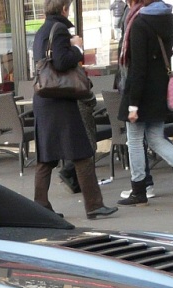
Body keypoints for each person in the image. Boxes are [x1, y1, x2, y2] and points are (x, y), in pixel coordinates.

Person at [31, 0, 116, 219]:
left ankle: (40, 207)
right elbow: (60, 62)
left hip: (45, 100)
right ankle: (94, 206)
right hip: (60, 101)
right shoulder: (59, 30)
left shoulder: (41, 31)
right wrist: (77, 47)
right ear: (64, 9)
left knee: (46, 157)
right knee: (82, 152)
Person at [117, 0, 173, 206]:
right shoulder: (166, 17)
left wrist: (133, 104)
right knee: (156, 138)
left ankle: (139, 190)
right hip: (159, 89)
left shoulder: (139, 24)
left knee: (135, 141)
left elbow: (138, 67)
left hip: (141, 91)